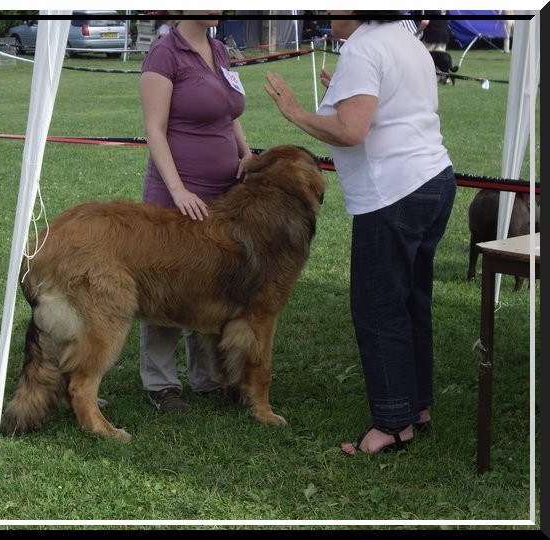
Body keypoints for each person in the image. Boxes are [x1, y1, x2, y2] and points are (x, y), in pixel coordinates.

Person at [265, 11, 456, 455]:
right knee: (412, 301)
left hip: (393, 192)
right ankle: (417, 407)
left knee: (378, 309)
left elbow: (351, 131)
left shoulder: (363, 47)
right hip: (433, 179)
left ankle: (392, 426)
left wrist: (295, 112)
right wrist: (343, 93)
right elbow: (391, 105)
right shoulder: (405, 39)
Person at [139, 11, 254, 412]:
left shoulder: (220, 49)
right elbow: (154, 128)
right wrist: (177, 189)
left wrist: (246, 152)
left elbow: (228, 112)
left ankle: (207, 378)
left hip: (222, 196)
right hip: (177, 195)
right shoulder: (164, 54)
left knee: (209, 284)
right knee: (164, 285)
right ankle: (161, 383)